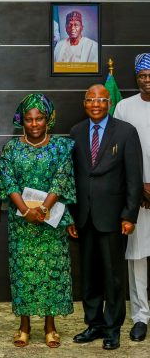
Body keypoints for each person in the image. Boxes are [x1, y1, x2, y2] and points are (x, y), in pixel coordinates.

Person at [0, 94, 76, 348]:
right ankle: (24, 326)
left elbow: (61, 179)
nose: (34, 124)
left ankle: (50, 326)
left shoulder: (62, 147)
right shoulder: (12, 149)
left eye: (39, 118)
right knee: (23, 274)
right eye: (29, 119)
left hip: (51, 222)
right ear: (22, 120)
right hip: (22, 225)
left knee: (52, 274)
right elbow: (7, 181)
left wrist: (42, 209)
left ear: (48, 119)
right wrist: (25, 210)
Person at [69, 84, 143, 350]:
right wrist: (72, 215)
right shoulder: (76, 132)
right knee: (89, 275)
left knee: (113, 276)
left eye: (101, 100)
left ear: (109, 102)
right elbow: (73, 177)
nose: (96, 104)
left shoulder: (125, 132)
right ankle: (94, 324)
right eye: (91, 99)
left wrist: (129, 215)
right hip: (85, 218)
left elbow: (134, 178)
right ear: (85, 102)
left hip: (113, 219)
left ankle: (113, 329)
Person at [114, 53, 150, 342]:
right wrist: (138, 188)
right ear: (136, 77)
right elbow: (116, 153)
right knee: (136, 258)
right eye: (142, 75)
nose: (147, 79)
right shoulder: (124, 107)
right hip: (137, 197)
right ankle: (141, 316)